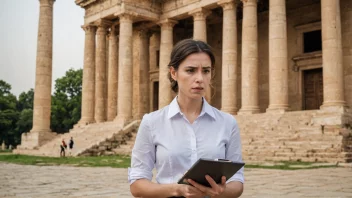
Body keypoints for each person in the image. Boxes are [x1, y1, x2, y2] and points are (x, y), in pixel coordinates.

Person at [128, 39, 244, 198]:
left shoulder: (227, 122)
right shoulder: (152, 122)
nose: (200, 78)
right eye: (191, 70)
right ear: (174, 73)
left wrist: (221, 191)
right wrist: (177, 189)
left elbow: (237, 182)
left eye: (206, 71)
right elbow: (137, 184)